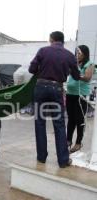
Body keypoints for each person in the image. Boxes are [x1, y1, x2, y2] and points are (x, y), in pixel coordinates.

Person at [28, 31, 80, 168]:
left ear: (52, 40)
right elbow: (76, 75)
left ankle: (41, 157)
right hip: (57, 89)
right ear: (62, 41)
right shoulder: (69, 55)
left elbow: (31, 69)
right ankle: (63, 160)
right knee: (59, 124)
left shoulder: (43, 51)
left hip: (40, 88)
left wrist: (41, 70)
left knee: (40, 122)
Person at [66, 45, 94, 153]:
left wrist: (78, 75)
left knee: (79, 120)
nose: (77, 55)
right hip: (70, 94)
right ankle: (68, 141)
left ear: (85, 54)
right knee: (71, 119)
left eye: (79, 53)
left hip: (80, 95)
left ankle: (78, 143)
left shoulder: (89, 64)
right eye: (76, 53)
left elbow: (87, 78)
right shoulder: (73, 64)